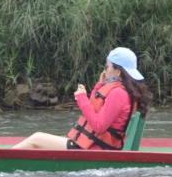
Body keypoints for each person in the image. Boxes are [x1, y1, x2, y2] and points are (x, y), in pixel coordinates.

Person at [13, 47, 151, 150]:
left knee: (36, 138)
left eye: (108, 66)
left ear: (118, 71)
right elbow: (95, 107)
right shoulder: (122, 90)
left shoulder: (118, 94)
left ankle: (1, 157)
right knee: (42, 141)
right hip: (93, 145)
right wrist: (99, 85)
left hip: (94, 149)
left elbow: (99, 126)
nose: (105, 70)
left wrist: (81, 98)